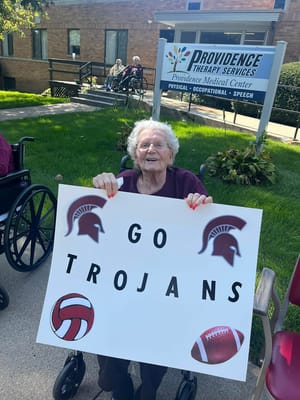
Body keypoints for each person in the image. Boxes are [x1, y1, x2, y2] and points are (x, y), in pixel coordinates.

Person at [92, 119, 213, 400]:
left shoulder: (186, 182)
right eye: (143, 145)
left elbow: (208, 227)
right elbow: (96, 216)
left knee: (153, 355)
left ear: (170, 154)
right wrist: (98, 186)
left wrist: (202, 204)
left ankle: (148, 389)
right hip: (120, 281)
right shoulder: (122, 183)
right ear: (135, 155)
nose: (151, 149)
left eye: (159, 144)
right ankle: (117, 384)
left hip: (166, 286)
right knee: (109, 369)